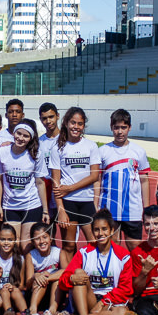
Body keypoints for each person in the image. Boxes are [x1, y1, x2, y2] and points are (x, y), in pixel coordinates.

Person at [59, 209, 133, 315]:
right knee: (79, 273)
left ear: (111, 230)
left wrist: (103, 302)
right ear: (92, 232)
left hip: (108, 303)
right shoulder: (84, 253)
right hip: (87, 298)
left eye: (104, 229)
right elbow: (63, 280)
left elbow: (125, 289)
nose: (100, 233)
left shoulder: (123, 256)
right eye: (96, 230)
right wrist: (72, 278)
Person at [49, 106, 101, 263]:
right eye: (73, 123)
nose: (76, 127)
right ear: (65, 122)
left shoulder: (91, 146)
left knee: (93, 242)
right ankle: (69, 276)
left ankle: (93, 273)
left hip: (85, 201)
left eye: (80, 124)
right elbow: (56, 183)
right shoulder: (57, 147)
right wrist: (61, 210)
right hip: (67, 203)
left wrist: (71, 188)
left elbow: (94, 176)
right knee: (69, 245)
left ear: (83, 126)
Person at [98, 108, 151, 252]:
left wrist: (146, 208)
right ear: (111, 128)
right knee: (112, 245)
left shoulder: (138, 151)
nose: (120, 131)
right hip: (109, 208)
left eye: (123, 127)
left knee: (135, 247)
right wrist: (96, 205)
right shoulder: (103, 151)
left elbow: (144, 181)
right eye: (116, 128)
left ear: (129, 128)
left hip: (132, 209)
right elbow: (97, 180)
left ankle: (136, 275)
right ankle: (115, 274)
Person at [0, 117, 49, 250]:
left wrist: (45, 210)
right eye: (19, 134)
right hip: (10, 206)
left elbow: (40, 182)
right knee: (14, 245)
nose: (21, 138)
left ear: (30, 138)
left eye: (26, 136)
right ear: (13, 133)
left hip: (32, 205)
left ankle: (27, 271)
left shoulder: (36, 154)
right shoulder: (2, 151)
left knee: (26, 246)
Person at [0, 224, 28, 315]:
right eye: (3, 239)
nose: (6, 243)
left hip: (15, 294)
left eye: (10, 240)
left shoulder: (20, 259)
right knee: (4, 290)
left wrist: (13, 286)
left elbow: (21, 285)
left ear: (15, 240)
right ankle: (8, 313)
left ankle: (25, 314)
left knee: (14, 290)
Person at [25, 221, 62, 315]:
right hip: (37, 293)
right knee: (39, 279)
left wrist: (48, 277)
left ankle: (52, 311)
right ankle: (32, 310)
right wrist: (35, 276)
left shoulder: (58, 252)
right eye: (37, 239)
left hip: (55, 294)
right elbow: (28, 284)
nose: (42, 241)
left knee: (57, 278)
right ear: (32, 241)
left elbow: (66, 271)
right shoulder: (31, 256)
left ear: (50, 238)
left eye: (45, 237)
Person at [38, 102, 61, 235]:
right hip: (46, 193)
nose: (48, 121)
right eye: (44, 118)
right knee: (47, 234)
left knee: (68, 239)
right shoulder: (39, 142)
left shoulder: (67, 139)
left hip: (64, 192)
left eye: (51, 117)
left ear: (57, 116)